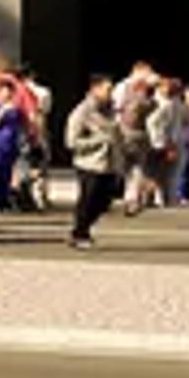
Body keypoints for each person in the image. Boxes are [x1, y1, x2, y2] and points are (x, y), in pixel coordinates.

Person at [67, 75, 121, 249]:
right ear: (95, 89)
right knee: (88, 199)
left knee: (105, 200)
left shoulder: (111, 110)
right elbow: (71, 141)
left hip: (109, 163)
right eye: (107, 89)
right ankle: (79, 233)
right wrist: (99, 141)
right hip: (89, 163)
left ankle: (85, 227)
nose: (110, 93)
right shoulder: (83, 111)